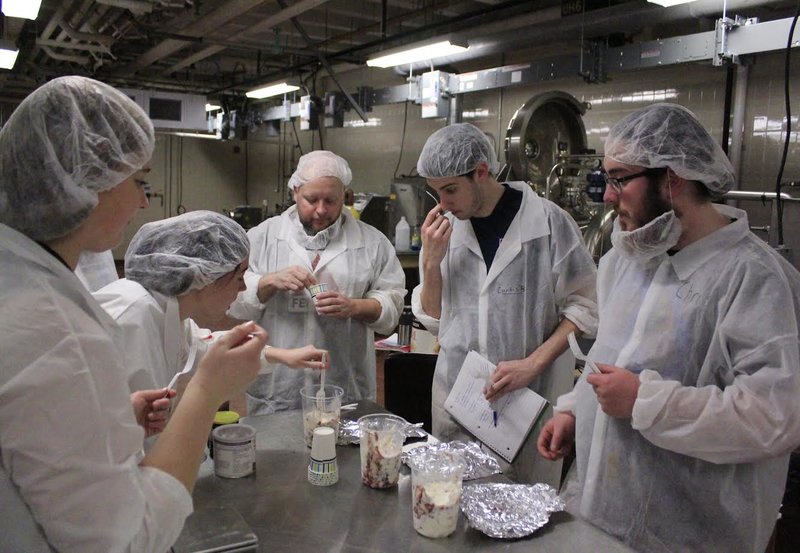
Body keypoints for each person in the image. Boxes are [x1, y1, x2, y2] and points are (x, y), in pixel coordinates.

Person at [0, 76, 268, 552]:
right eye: (138, 182)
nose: (142, 202)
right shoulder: (55, 329)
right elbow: (124, 541)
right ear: (85, 186)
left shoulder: (20, 283)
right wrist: (205, 393)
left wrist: (114, 417)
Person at [536, 103, 800, 553]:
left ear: (672, 179)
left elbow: (775, 419)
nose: (607, 195)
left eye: (619, 179)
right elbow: (611, 355)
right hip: (601, 514)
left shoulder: (755, 279)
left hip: (692, 531)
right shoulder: (626, 259)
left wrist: (646, 401)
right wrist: (574, 410)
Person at [412, 123, 598, 486]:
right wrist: (432, 263)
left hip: (528, 402)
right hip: (459, 401)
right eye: (436, 194)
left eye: (450, 190)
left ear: (481, 172)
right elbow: (435, 320)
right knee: (452, 506)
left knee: (522, 518)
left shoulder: (547, 223)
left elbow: (586, 306)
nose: (444, 205)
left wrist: (532, 364)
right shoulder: (444, 232)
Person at [227, 150, 406, 414]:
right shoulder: (263, 238)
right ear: (295, 192)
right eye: (312, 199)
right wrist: (267, 282)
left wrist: (354, 307)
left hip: (346, 386)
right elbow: (233, 303)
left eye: (331, 201)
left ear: (344, 196)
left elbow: (392, 304)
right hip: (277, 389)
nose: (321, 210)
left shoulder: (371, 243)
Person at [95, 210, 329, 395]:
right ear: (205, 275)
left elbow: (205, 349)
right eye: (239, 277)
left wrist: (281, 355)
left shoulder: (171, 315)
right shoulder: (128, 316)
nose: (244, 288)